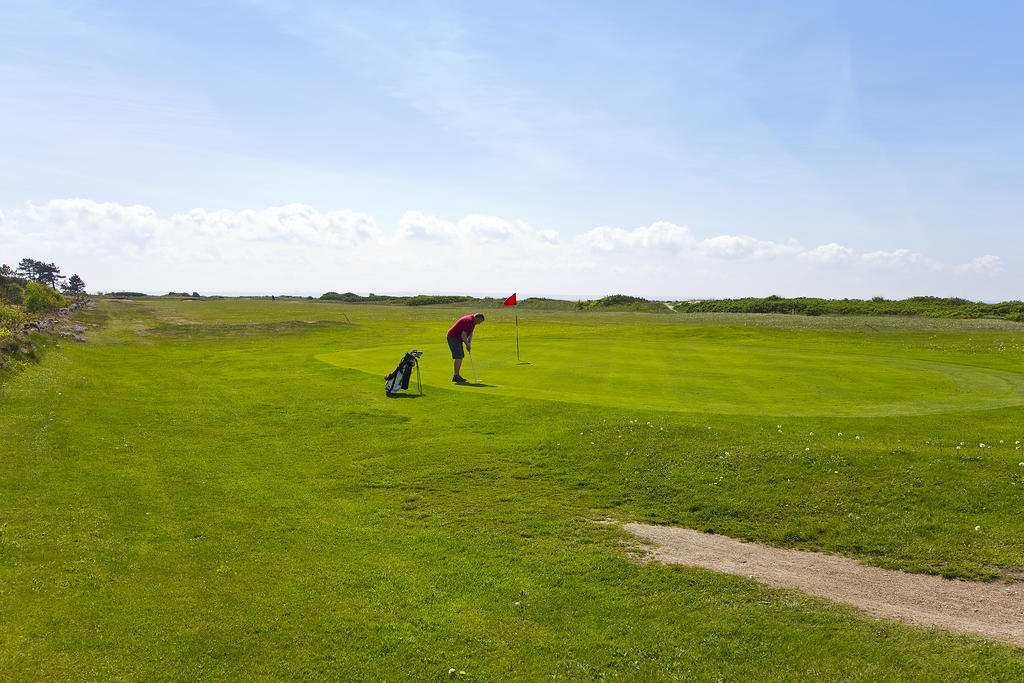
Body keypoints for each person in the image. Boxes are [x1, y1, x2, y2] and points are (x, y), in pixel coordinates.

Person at [447, 313, 484, 383]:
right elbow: (463, 335)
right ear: (477, 318)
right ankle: (456, 376)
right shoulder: (469, 321)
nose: (479, 323)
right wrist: (467, 345)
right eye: (479, 322)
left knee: (460, 356)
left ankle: (456, 375)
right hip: (453, 337)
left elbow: (470, 332)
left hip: (457, 338)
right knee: (459, 356)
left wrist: (469, 343)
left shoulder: (473, 322)